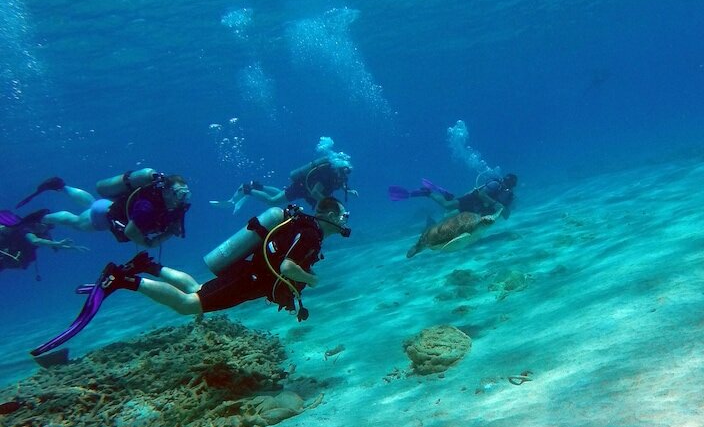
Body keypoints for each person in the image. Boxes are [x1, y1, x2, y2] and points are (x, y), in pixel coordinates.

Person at [30, 198, 351, 357]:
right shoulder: (310, 233)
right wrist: (312, 280)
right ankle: (124, 280)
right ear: (331, 216)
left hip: (248, 273)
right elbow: (287, 269)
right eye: (343, 215)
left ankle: (147, 265)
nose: (346, 219)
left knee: (196, 288)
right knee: (189, 304)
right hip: (250, 280)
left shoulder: (305, 227)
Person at [17, 169, 191, 249]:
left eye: (185, 194)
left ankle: (61, 187)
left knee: (92, 203)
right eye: (178, 193)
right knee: (76, 222)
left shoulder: (172, 202)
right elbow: (131, 232)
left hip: (112, 205)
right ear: (166, 190)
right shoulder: (147, 207)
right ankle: (44, 218)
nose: (182, 198)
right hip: (104, 215)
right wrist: (153, 243)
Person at [213, 138, 357, 213]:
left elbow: (340, 184)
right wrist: (330, 202)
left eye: (347, 171)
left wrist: (348, 191)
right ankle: (247, 190)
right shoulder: (326, 176)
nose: (346, 174)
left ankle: (258, 186)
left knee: (283, 195)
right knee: (273, 201)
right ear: (338, 167)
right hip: (302, 188)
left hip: (303, 189)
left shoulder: (338, 175)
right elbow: (315, 192)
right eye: (345, 171)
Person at [0, 208, 87, 277]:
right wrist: (58, 244)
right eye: (48, 225)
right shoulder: (25, 228)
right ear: (38, 223)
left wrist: (72, 247)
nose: (48, 228)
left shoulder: (44, 233)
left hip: (8, 256)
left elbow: (53, 244)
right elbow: (34, 241)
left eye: (51, 226)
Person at [389, 173, 517, 219]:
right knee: (447, 206)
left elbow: (506, 215)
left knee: (448, 215)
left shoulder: (508, 194)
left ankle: (447, 194)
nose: (508, 184)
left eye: (510, 183)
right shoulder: (496, 184)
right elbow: (481, 194)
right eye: (508, 182)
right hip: (472, 200)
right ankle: (428, 193)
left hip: (476, 208)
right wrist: (495, 204)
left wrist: (498, 207)